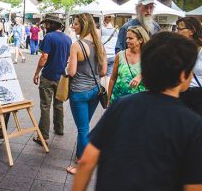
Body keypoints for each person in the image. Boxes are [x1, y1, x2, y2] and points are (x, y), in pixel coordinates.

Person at [72, 32, 202, 191]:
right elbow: (194, 186)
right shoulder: (193, 125)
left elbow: (87, 160)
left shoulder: (122, 105)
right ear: (183, 75)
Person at [66, 13, 107, 175]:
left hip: (79, 92)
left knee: (83, 129)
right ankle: (79, 155)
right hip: (95, 91)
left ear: (83, 25)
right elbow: (103, 71)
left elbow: (72, 71)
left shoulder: (76, 45)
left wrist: (68, 68)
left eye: (76, 24)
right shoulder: (99, 45)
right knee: (85, 127)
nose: (73, 27)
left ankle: (82, 165)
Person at [32, 14, 71, 145]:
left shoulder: (49, 37)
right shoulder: (67, 39)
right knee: (59, 105)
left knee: (45, 106)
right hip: (61, 76)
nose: (44, 26)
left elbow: (44, 57)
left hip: (48, 76)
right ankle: (59, 129)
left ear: (51, 24)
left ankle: (43, 135)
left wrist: (37, 72)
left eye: (46, 24)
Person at [108, 26, 149, 105]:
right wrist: (109, 98)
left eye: (130, 38)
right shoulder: (120, 55)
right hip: (118, 100)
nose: (127, 41)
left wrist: (140, 76)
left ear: (140, 40)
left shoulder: (148, 56)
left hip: (139, 102)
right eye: (127, 38)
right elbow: (113, 78)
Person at [176, 17, 202, 116]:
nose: (177, 31)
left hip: (199, 95)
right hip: (182, 94)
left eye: (180, 29)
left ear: (191, 31)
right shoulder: (179, 50)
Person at [100, 15, 118, 89]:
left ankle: (102, 92)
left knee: (102, 75)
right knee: (108, 76)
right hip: (113, 56)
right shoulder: (117, 31)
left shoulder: (101, 30)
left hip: (103, 56)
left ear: (104, 21)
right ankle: (107, 93)